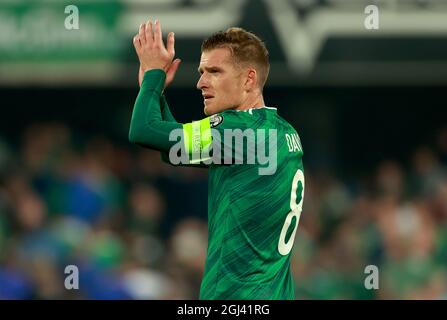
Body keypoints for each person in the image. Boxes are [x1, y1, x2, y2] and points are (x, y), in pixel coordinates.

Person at [129, 20, 305, 300]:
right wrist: (156, 93)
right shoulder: (282, 132)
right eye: (201, 72)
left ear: (248, 79)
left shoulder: (240, 133)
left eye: (214, 71)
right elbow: (175, 151)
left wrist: (152, 76)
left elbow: (143, 131)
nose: (201, 82)